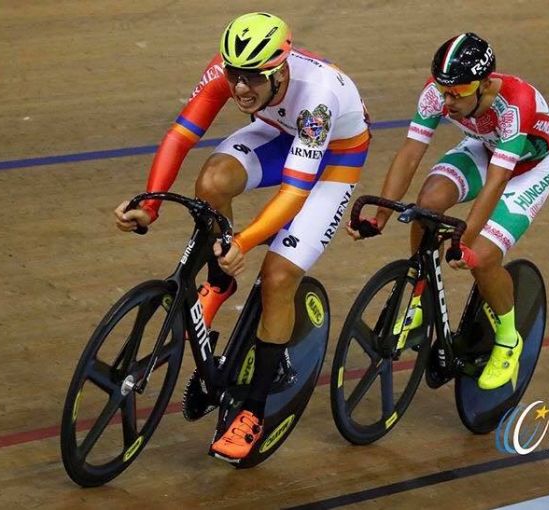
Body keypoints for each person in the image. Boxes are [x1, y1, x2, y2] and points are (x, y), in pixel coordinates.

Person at [114, 12, 370, 460]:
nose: (240, 88)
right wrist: (149, 205)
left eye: (254, 77)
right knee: (212, 183)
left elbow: (295, 192)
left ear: (281, 69)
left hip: (333, 159)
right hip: (279, 133)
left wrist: (244, 242)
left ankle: (252, 412)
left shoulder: (319, 97)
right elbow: (180, 136)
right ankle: (221, 279)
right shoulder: (228, 71)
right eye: (235, 74)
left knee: (277, 276)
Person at [348, 32, 549, 390]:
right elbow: (410, 153)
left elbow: (496, 181)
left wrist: (467, 237)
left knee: (482, 255)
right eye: (443, 91)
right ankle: (420, 294)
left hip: (528, 169)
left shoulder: (515, 103)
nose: (447, 102)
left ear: (485, 84)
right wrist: (380, 216)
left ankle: (508, 339)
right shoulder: (440, 92)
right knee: (426, 206)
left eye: (457, 94)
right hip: (485, 149)